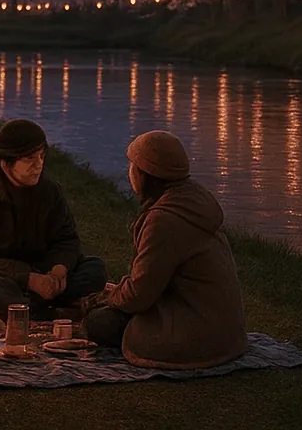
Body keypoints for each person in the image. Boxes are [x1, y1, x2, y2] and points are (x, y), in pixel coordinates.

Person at [82, 130, 247, 369]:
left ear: (145, 174)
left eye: (132, 166)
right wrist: (118, 291)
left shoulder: (164, 221)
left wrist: (110, 296)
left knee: (98, 322)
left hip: (194, 333)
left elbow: (139, 295)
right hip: (225, 334)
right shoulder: (192, 201)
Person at [0, 118, 106, 320]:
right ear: (5, 162)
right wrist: (28, 279)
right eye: (29, 159)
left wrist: (58, 270)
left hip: (41, 271)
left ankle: (33, 307)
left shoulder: (49, 191)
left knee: (94, 268)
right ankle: (46, 311)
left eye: (42, 157)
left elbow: (66, 239)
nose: (38, 165)